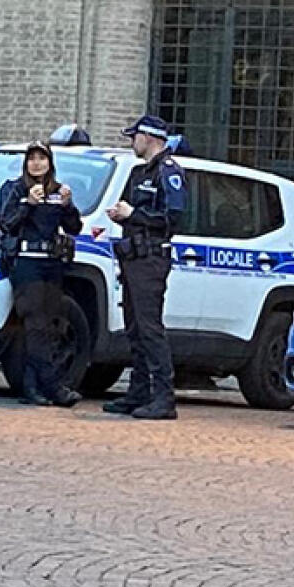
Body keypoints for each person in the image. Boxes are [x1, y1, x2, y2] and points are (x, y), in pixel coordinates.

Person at [101, 115, 186, 420]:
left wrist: (134, 214)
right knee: (135, 328)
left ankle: (164, 398)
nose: (131, 142)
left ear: (149, 138)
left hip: (151, 259)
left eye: (133, 136)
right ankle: (138, 392)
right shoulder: (139, 173)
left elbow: (172, 218)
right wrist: (121, 215)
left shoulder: (169, 173)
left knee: (150, 329)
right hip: (134, 257)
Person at [0, 141, 83, 408]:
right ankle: (53, 386)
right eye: (32, 158)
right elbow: (6, 224)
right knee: (34, 324)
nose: (37, 163)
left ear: (50, 163)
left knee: (48, 326)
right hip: (26, 263)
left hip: (52, 263)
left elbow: (74, 227)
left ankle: (32, 387)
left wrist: (68, 206)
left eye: (42, 158)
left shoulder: (57, 192)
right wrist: (28, 204)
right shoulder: (14, 189)